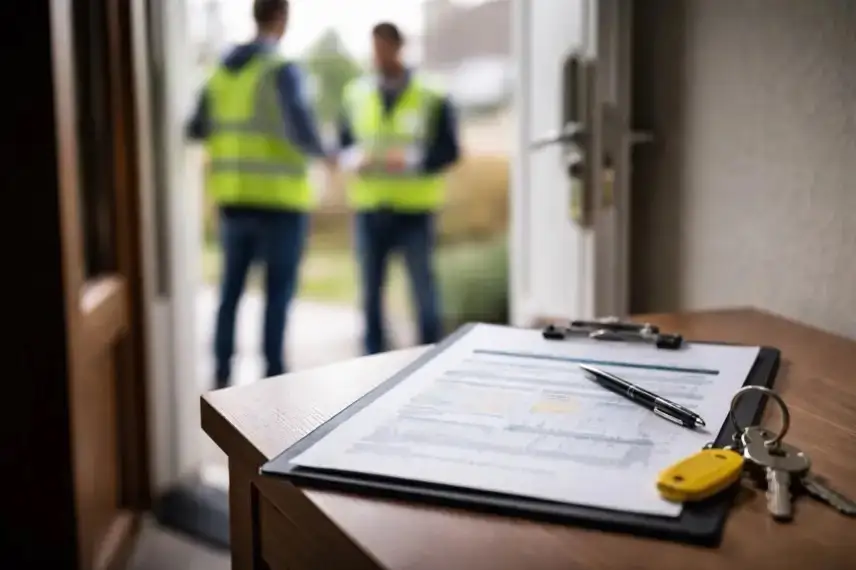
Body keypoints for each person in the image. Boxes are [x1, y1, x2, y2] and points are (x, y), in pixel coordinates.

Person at [187, 0, 333, 388]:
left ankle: (221, 373)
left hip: (234, 201)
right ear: (282, 19)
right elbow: (303, 130)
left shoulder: (220, 73)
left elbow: (197, 128)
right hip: (281, 203)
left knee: (230, 292)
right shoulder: (281, 70)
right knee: (277, 293)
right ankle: (272, 378)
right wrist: (331, 152)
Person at [338, 22, 461, 355]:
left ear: (397, 47)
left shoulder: (431, 94)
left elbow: (450, 150)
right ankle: (372, 360)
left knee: (424, 292)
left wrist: (410, 160)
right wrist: (353, 159)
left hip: (414, 211)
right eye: (373, 47)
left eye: (382, 48)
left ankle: (430, 356)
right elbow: (342, 145)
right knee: (370, 294)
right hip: (370, 207)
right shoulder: (355, 93)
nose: (377, 55)